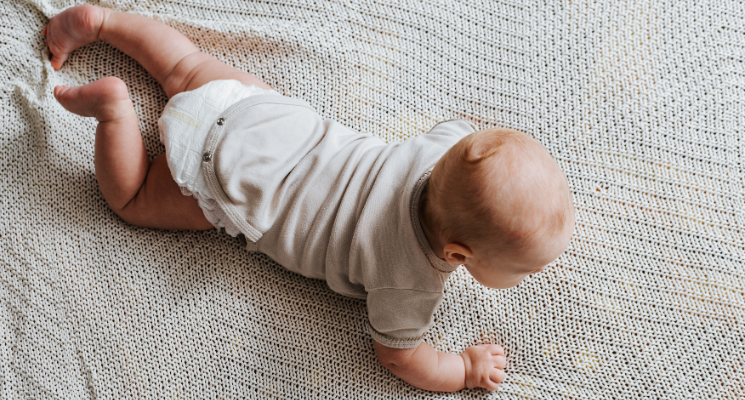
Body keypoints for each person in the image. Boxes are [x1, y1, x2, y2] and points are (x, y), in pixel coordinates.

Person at [43, 4, 575, 392]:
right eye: (521, 271)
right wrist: (461, 370)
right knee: (132, 200)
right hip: (230, 186)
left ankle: (103, 23)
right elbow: (399, 357)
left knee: (184, 65)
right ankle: (114, 112)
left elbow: (469, 143)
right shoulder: (410, 283)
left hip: (265, 119)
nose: (525, 277)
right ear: (457, 254)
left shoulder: (442, 149)